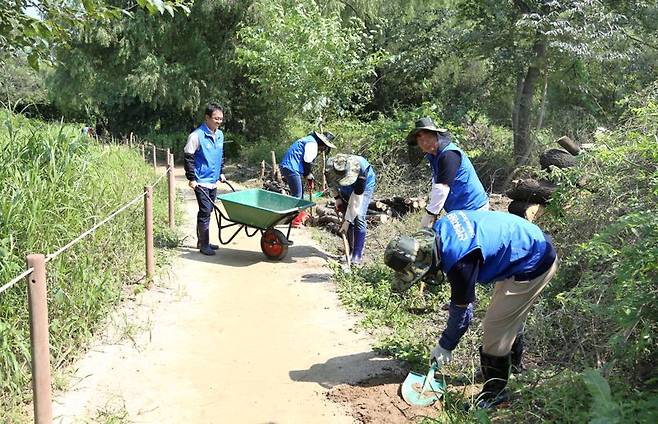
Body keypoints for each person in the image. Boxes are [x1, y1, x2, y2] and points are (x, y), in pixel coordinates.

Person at [384, 210, 558, 408]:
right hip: (522, 246)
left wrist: (445, 345)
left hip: (534, 260)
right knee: (507, 314)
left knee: (495, 326)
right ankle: (514, 367)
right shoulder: (441, 228)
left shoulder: (460, 262)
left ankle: (495, 391)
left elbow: (463, 313)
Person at [407, 118, 489, 228]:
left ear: (436, 136)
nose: (425, 143)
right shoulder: (434, 155)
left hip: (473, 208)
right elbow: (437, 181)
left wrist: (431, 213)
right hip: (458, 209)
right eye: (421, 141)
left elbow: (442, 188)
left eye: (428, 138)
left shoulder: (449, 155)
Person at [183, 102, 226, 256]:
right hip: (201, 181)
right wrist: (191, 178)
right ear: (207, 118)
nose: (219, 121)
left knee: (209, 211)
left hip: (214, 180)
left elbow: (220, 156)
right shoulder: (196, 136)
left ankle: (203, 240)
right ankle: (204, 244)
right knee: (205, 210)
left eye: (221, 119)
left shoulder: (220, 135)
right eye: (216, 118)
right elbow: (188, 157)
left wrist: (221, 172)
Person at [325, 154, 376, 264]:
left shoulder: (362, 172)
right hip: (344, 187)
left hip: (364, 187)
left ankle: (357, 255)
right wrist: (337, 198)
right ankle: (350, 251)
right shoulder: (331, 167)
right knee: (346, 213)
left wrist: (347, 221)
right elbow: (331, 184)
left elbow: (356, 200)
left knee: (358, 216)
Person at [280, 130, 337, 228]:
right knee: (297, 196)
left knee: (300, 194)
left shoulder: (309, 140)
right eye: (324, 147)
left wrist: (308, 175)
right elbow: (307, 161)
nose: (322, 150)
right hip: (291, 168)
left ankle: (299, 217)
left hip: (290, 167)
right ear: (322, 144)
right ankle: (295, 221)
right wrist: (308, 174)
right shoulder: (312, 143)